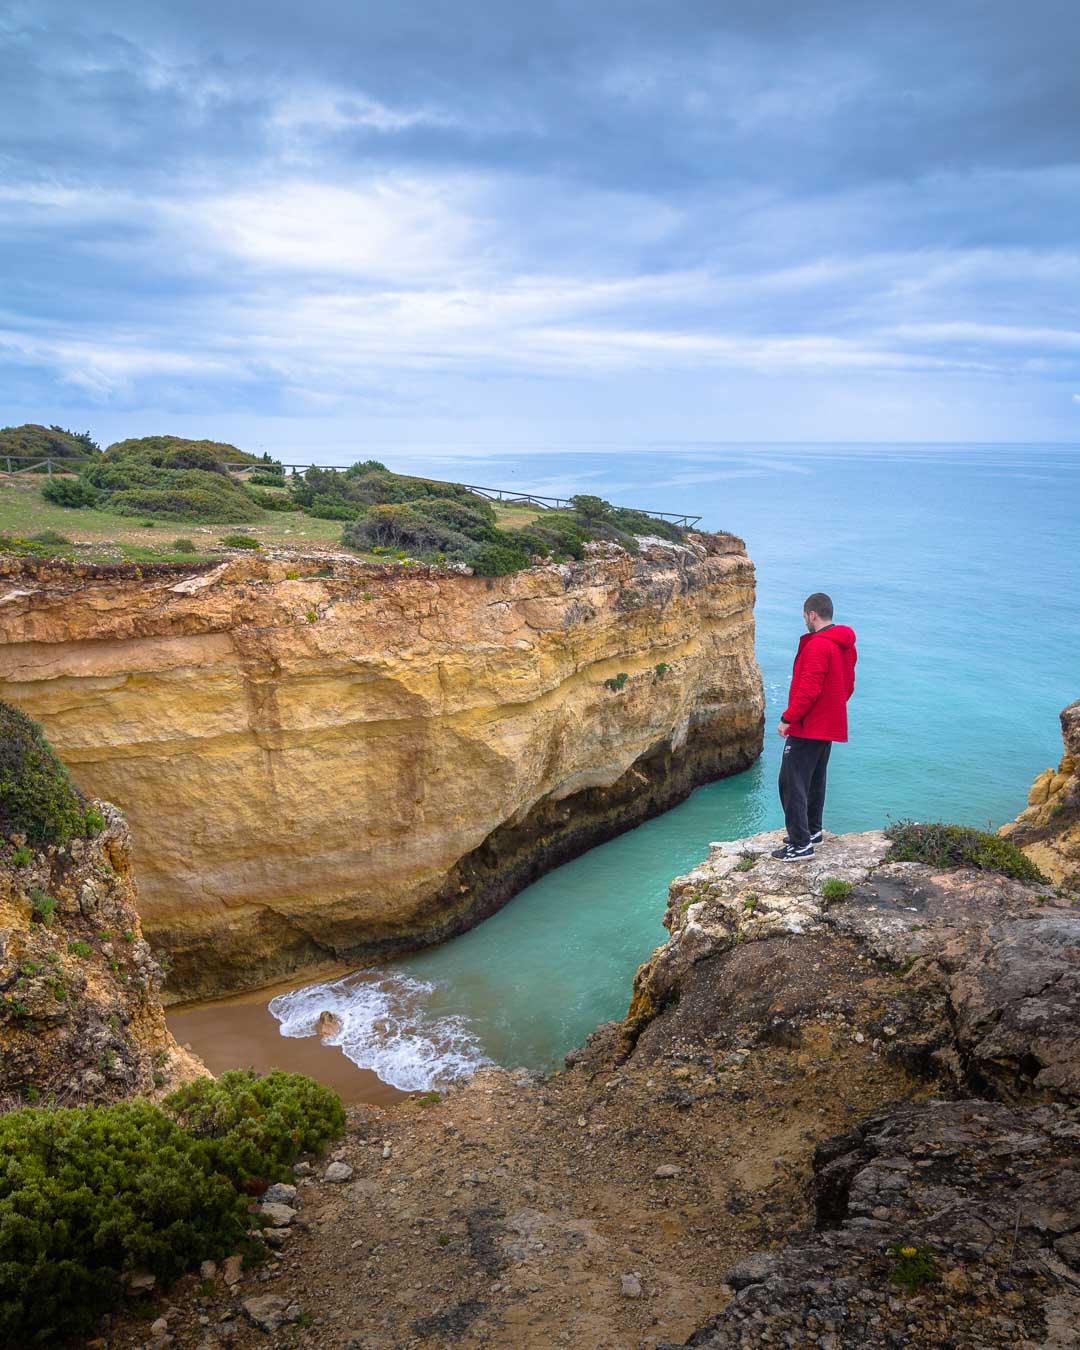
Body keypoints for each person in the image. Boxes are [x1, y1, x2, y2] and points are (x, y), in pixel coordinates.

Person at [772, 592, 857, 861]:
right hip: (828, 724)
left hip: (808, 726)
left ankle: (800, 844)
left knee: (791, 781)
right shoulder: (846, 645)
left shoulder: (818, 646)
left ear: (812, 615)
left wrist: (788, 718)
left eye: (805, 617)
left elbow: (808, 690)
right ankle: (812, 830)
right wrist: (829, 709)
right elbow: (848, 685)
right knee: (815, 779)